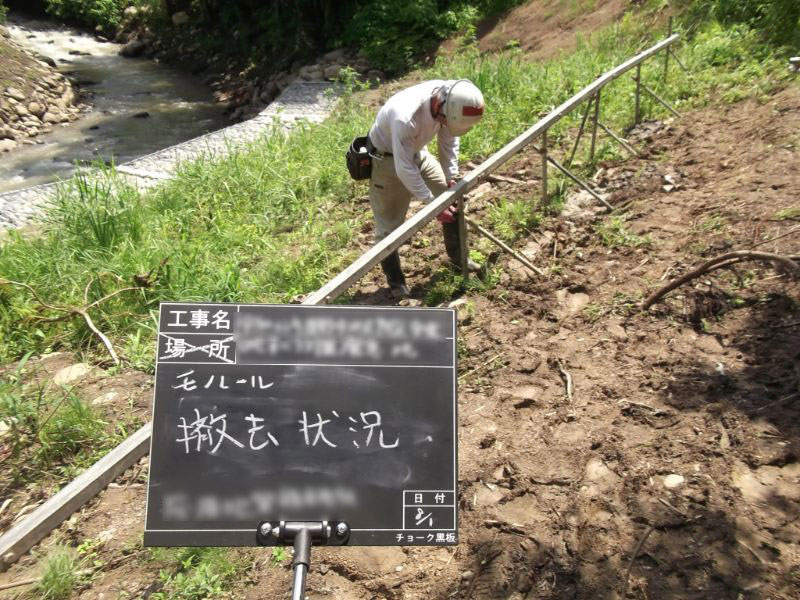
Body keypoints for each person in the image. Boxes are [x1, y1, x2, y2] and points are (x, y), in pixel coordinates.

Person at [366, 79, 485, 297]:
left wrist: (451, 177)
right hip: (387, 160)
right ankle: (396, 283)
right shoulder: (405, 117)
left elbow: (448, 140)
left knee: (451, 198)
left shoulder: (453, 99)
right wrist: (432, 205)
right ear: (440, 108)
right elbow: (404, 169)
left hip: (417, 152)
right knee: (389, 227)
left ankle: (459, 259)